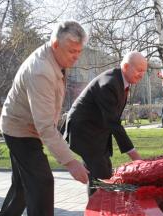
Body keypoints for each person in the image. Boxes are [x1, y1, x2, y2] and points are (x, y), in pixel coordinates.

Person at [0, 20, 89, 216]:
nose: (76, 56)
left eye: (79, 51)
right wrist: (70, 162)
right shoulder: (41, 70)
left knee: (22, 187)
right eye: (72, 51)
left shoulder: (56, 58)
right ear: (55, 44)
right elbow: (45, 126)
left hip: (27, 126)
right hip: (19, 129)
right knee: (42, 183)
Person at [63, 51, 147, 196]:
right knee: (101, 174)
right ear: (126, 66)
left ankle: (100, 207)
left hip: (96, 131)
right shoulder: (109, 84)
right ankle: (98, 211)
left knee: (104, 171)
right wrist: (134, 155)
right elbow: (113, 121)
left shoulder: (121, 81)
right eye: (139, 70)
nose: (141, 75)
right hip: (84, 131)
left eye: (144, 71)